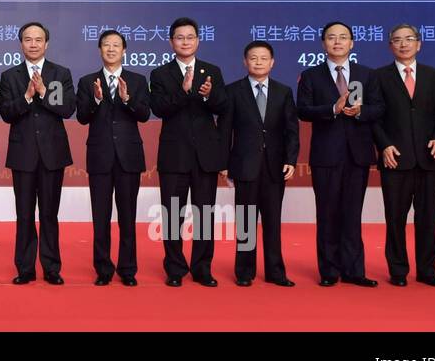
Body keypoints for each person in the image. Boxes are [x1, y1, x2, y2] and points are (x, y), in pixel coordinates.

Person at [297, 20, 385, 287]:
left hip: (357, 155)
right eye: (332, 37)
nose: (337, 42)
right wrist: (332, 110)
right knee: (327, 213)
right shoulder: (311, 76)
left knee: (352, 213)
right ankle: (329, 271)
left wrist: (361, 112)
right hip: (326, 156)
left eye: (343, 37)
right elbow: (302, 110)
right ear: (324, 43)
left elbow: (380, 107)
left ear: (352, 42)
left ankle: (354, 270)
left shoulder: (367, 74)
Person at [371, 24, 435, 287]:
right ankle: (398, 270)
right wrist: (383, 145)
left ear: (419, 44)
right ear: (390, 46)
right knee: (395, 217)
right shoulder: (378, 77)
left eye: (409, 39)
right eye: (397, 40)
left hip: (429, 159)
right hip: (394, 158)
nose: (403, 44)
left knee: (428, 217)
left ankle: (428, 269)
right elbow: (374, 119)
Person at [150, 17, 229, 287]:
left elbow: (223, 107)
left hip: (206, 155)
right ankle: (174, 268)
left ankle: (202, 267)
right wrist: (184, 93)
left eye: (190, 37)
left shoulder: (212, 71)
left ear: (198, 40)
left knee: (205, 213)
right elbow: (159, 109)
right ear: (172, 42)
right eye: (180, 37)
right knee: (173, 214)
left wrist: (207, 95)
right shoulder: (160, 74)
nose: (185, 41)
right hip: (174, 155)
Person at [0, 22, 75, 285]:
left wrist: (43, 91)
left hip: (53, 153)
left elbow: (67, 109)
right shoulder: (10, 76)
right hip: (24, 153)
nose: (33, 44)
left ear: (47, 43)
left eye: (38, 39)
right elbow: (7, 113)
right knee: (24, 214)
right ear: (21, 44)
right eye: (28, 40)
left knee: (50, 214)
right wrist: (28, 96)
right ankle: (25, 268)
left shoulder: (60, 73)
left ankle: (52, 268)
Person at [220, 40, 299, 287]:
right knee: (245, 220)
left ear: (272, 62)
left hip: (275, 166)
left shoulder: (283, 91)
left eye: (263, 58)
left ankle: (276, 272)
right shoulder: (233, 91)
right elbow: (224, 131)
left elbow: (291, 131)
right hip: (244, 164)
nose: (258, 62)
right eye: (253, 58)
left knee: (273, 221)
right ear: (245, 62)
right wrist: (224, 164)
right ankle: (244, 271)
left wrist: (291, 160)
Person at [75, 29, 151, 286]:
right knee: (101, 216)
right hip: (100, 157)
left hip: (128, 157)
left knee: (128, 216)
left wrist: (127, 99)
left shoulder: (138, 80)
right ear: (99, 50)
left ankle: (128, 269)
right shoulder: (88, 81)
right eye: (106, 45)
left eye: (116, 45)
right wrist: (96, 100)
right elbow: (82, 117)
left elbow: (144, 115)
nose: (110, 49)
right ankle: (103, 269)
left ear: (124, 50)